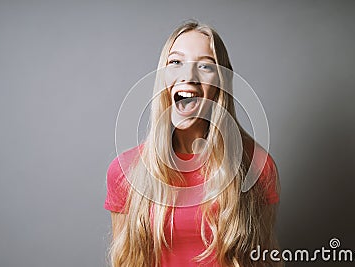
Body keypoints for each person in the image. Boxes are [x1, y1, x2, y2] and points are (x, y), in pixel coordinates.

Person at [104, 20, 281, 267]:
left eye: (206, 66)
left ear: (221, 82)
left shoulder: (257, 167)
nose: (189, 76)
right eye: (176, 62)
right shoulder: (125, 171)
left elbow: (264, 260)